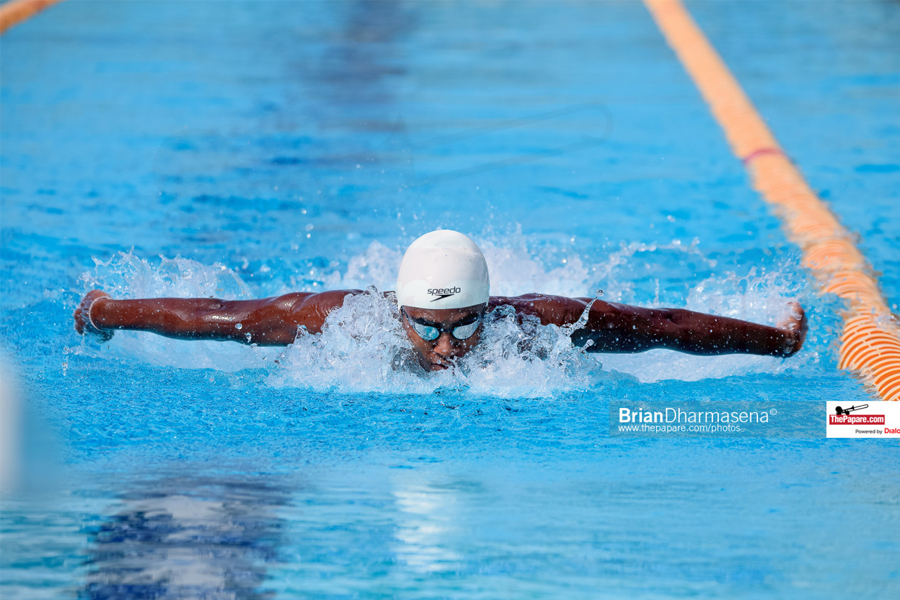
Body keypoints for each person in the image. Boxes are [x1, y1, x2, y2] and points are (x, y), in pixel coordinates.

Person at [74, 230, 807, 372]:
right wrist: (102, 310)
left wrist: (776, 341)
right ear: (396, 308)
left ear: (493, 309)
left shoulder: (537, 324)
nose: (448, 350)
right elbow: (214, 318)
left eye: (466, 327)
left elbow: (662, 326)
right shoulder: (332, 322)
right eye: (426, 328)